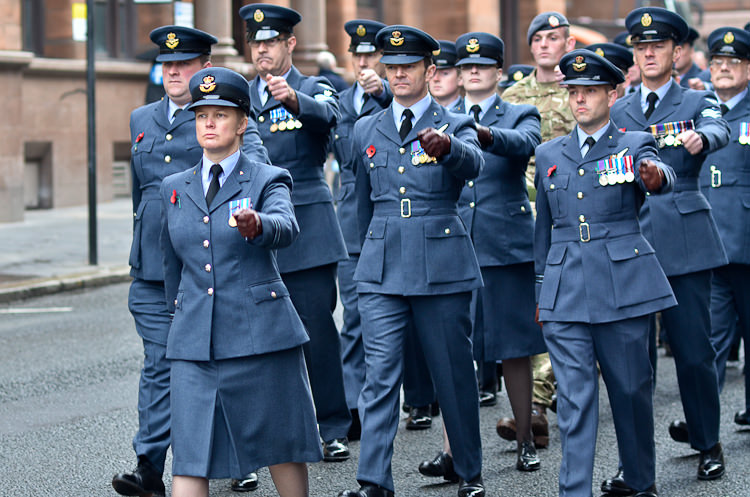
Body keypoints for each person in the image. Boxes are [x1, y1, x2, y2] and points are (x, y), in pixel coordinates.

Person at [111, 25, 268, 497]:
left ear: (205, 68)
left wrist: (257, 217)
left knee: (220, 365)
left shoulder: (226, 117)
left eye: (183, 63)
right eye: (166, 63)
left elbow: (255, 171)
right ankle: (149, 467)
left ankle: (238, 455)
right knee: (160, 366)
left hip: (209, 270)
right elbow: (143, 199)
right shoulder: (142, 117)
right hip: (154, 272)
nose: (172, 70)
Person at [159, 66, 321, 497]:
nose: (209, 123)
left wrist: (258, 225)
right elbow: (171, 266)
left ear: (243, 122)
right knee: (191, 455)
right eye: (201, 116)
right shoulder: (174, 186)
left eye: (221, 114)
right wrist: (178, 322)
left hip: (262, 336)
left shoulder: (268, 177)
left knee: (282, 445)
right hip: (196, 342)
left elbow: (286, 227)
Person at [338, 24, 485, 497]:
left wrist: (449, 150)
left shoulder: (454, 122)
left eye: (408, 67)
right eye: (392, 67)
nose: (398, 74)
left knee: (452, 370)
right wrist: (363, 262)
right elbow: (361, 204)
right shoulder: (366, 128)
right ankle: (374, 481)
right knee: (380, 375)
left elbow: (474, 165)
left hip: (440, 261)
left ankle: (468, 470)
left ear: (429, 69)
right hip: (381, 265)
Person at [535, 49, 676, 497]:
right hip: (566, 287)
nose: (580, 101)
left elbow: (660, 173)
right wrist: (542, 291)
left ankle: (638, 480)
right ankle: (574, 490)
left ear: (612, 94)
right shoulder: (547, 152)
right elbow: (545, 230)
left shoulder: (634, 144)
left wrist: (655, 177)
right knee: (575, 401)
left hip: (623, 284)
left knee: (631, 390)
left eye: (590, 92)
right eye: (574, 93)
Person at [607, 7, 729, 490]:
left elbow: (719, 129)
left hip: (684, 238)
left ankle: (707, 442)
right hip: (630, 241)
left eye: (658, 46)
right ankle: (634, 464)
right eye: (641, 47)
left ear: (677, 53)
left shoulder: (697, 101)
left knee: (695, 351)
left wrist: (702, 138)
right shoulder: (617, 110)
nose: (649, 53)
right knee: (631, 362)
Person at [419, 31, 543, 479]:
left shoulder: (518, 111)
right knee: (456, 354)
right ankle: (455, 452)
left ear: (498, 72)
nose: (473, 72)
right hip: (455, 245)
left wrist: (482, 133)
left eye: (483, 65)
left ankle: (526, 438)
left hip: (504, 245)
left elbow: (525, 143)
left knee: (514, 349)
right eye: (466, 66)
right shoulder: (439, 116)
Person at [237, 3, 352, 472]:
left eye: (271, 42)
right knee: (250, 339)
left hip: (306, 228)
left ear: (290, 44)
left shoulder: (311, 86)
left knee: (316, 332)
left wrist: (293, 101)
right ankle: (255, 440)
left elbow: (331, 116)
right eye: (256, 42)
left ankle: (331, 428)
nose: (262, 49)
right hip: (251, 226)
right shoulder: (236, 93)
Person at [495, 10, 577, 449]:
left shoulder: (580, 90)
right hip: (523, 212)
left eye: (554, 37)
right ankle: (540, 404)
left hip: (569, 209)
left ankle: (547, 398)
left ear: (568, 44)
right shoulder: (514, 95)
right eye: (539, 38)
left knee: (563, 304)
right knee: (538, 306)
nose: (546, 45)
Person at [332, 18, 392, 441]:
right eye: (359, 54)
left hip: (388, 217)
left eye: (372, 54)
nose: (365, 62)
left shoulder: (392, 99)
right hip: (350, 221)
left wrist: (384, 95)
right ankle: (354, 403)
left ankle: (401, 395)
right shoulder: (337, 101)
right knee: (354, 316)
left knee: (389, 317)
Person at [700, 26, 750, 427]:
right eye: (717, 63)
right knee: (711, 336)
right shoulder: (700, 109)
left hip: (747, 239)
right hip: (710, 239)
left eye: (733, 63)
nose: (724, 70)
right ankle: (704, 417)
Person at [429, 40, 462, 109]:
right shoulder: (420, 112)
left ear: (460, 78)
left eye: (445, 73)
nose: (436, 79)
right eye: (433, 73)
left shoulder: (470, 113)